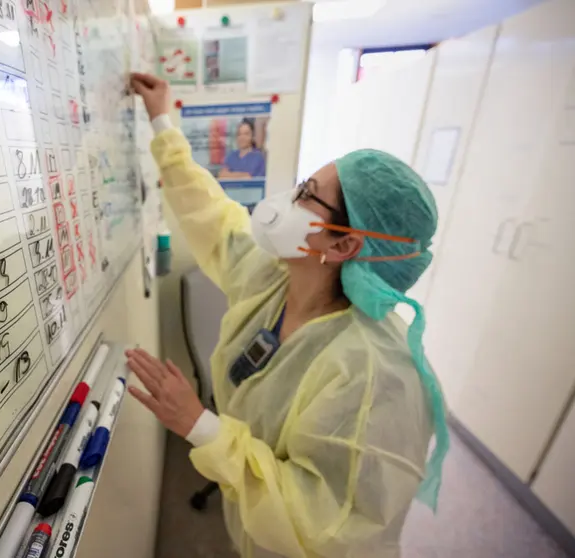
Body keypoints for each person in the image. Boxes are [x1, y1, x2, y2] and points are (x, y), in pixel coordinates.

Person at [126, 72, 449, 558]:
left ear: (343, 244)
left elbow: (324, 523)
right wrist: (160, 118)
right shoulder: (275, 280)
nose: (287, 203)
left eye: (307, 195)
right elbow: (212, 216)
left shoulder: (374, 376)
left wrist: (200, 425)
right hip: (254, 531)